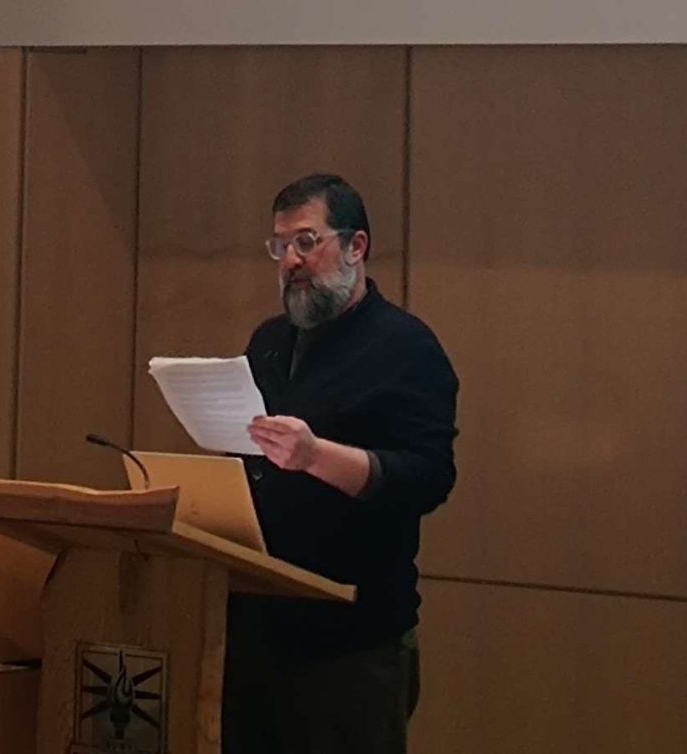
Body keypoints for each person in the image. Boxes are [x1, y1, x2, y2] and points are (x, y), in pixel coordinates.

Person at [224, 173, 459, 754]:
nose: (291, 262)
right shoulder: (269, 342)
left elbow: (428, 478)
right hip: (255, 630)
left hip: (352, 645)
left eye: (307, 242)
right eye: (280, 247)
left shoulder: (406, 348)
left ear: (356, 247)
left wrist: (315, 455)